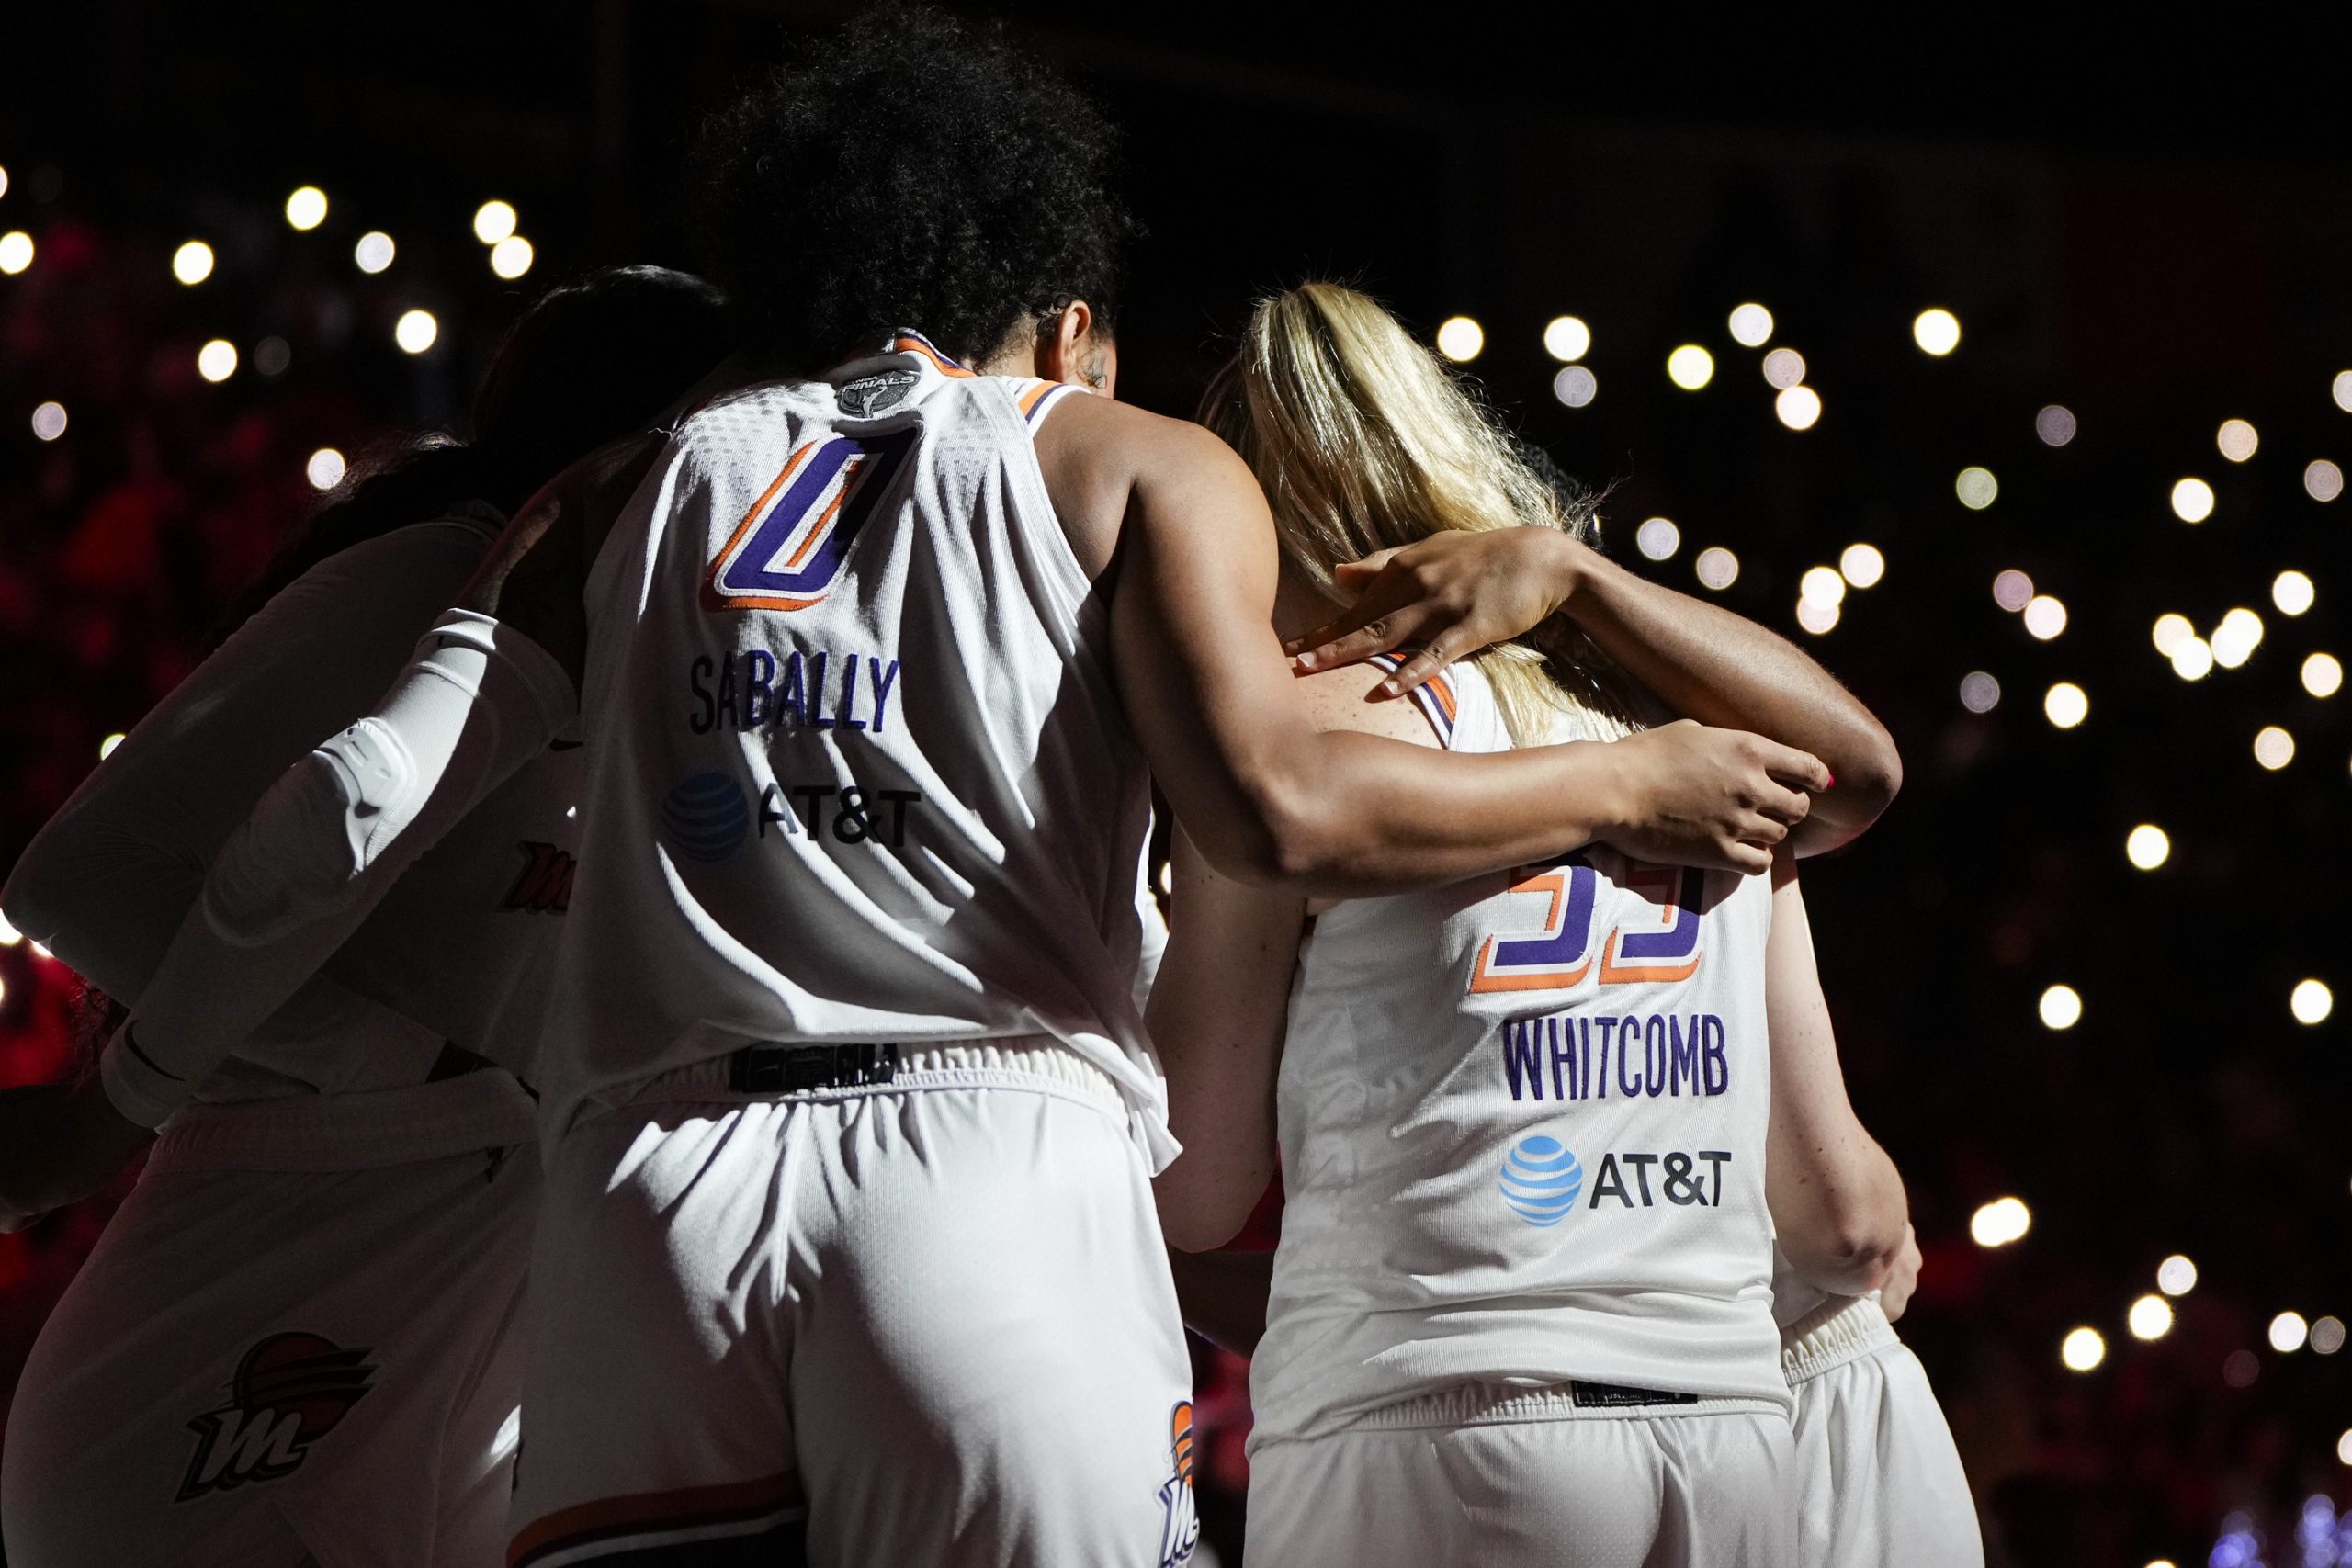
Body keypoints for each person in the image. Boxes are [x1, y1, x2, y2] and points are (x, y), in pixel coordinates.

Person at [31, 11, 1855, 1564]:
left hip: (653, 1208)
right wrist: (1639, 767)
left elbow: (350, 803)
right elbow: (1275, 812)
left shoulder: (614, 488)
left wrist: (117, 1098)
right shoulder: (1132, 461)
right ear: (1069, 326)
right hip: (983, 1175)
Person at [1150, 281, 1914, 1567]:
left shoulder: (1296, 768)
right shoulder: (1702, 745)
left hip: (1440, 1428)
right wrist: (1575, 580)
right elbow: (1863, 774)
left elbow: (1196, 1185)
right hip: (1726, 1434)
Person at [0, 267, 735, 1568]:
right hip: (218, 1390)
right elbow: (76, 885)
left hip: (443, 1377)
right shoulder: (439, 580)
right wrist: (421, 1075)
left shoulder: (665, 660)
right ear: (639, 440)